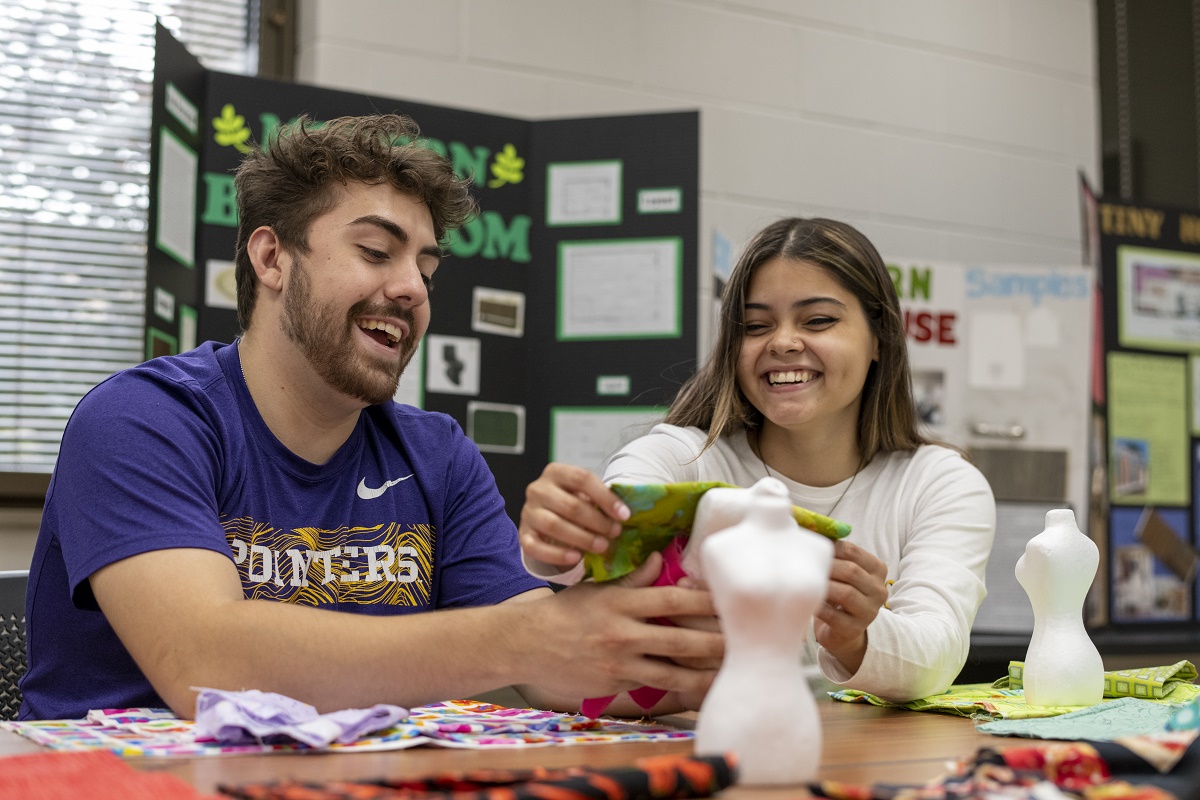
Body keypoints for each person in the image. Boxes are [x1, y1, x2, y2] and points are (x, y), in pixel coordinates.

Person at [19, 114, 720, 721]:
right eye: (376, 252)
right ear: (271, 258)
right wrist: (528, 638)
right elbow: (205, 664)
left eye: (427, 270)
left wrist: (704, 641)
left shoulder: (436, 453)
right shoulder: (142, 419)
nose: (412, 288)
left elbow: (557, 667)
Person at [519, 217, 995, 702]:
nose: (783, 342)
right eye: (755, 326)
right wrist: (558, 534)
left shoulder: (941, 483)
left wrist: (858, 635)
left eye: (818, 320)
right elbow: (603, 544)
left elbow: (935, 657)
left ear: (879, 339)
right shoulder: (684, 456)